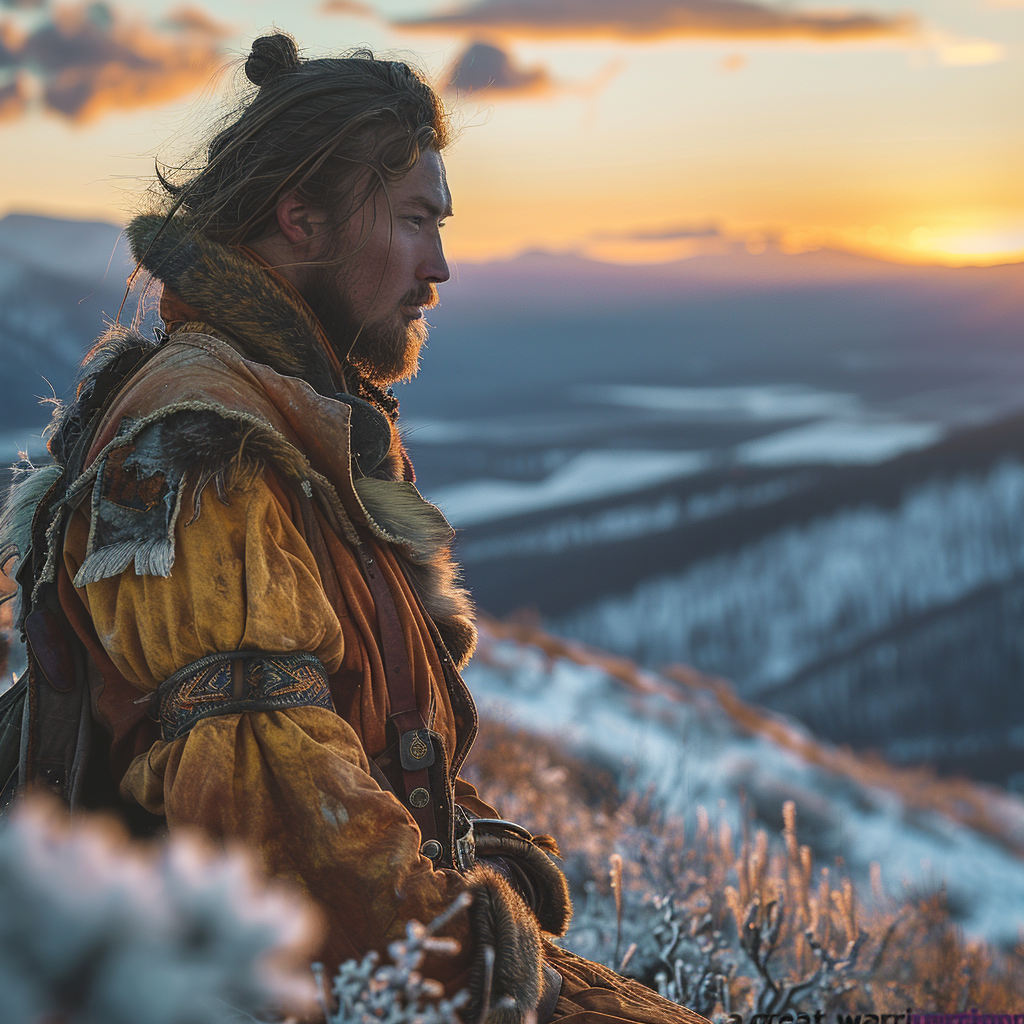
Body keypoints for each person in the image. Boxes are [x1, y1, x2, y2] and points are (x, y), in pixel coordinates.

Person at [1, 32, 709, 1024]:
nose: (443, 265)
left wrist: (468, 846)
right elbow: (284, 830)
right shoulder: (209, 453)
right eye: (416, 219)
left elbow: (350, 754)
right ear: (303, 220)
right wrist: (504, 965)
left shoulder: (300, 423)